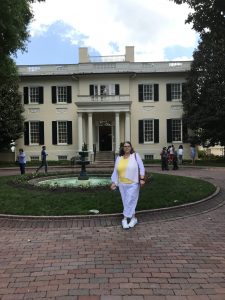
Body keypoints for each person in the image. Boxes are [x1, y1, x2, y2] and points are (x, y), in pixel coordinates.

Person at [111, 141, 145, 229]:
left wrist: (141, 179)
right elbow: (115, 170)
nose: (126, 148)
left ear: (131, 147)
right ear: (122, 148)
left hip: (133, 183)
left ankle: (125, 219)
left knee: (129, 199)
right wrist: (114, 182)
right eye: (125, 146)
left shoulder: (135, 156)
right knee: (126, 201)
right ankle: (133, 218)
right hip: (122, 184)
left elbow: (141, 167)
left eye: (128, 146)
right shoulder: (119, 158)